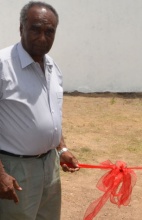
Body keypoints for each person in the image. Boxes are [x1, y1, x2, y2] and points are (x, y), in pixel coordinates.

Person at [0, 1, 79, 219]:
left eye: (49, 31)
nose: (42, 37)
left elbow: (52, 114)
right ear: (21, 28)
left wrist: (61, 149)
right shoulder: (3, 65)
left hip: (49, 167)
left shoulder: (53, 67)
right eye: (35, 29)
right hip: (15, 169)